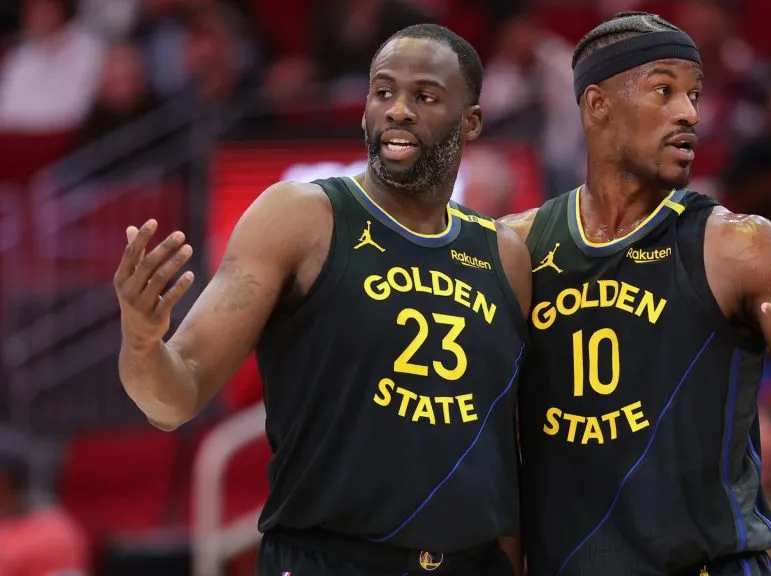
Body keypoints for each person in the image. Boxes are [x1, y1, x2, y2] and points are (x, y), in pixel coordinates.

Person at [113, 24, 531, 576]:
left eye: (424, 96)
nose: (398, 110)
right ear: (363, 112)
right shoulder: (300, 217)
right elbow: (174, 397)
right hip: (329, 559)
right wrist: (142, 342)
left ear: (470, 121)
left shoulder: (504, 255)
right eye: (383, 92)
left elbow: (516, 450)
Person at [500, 12, 771, 576]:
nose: (689, 113)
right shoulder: (519, 247)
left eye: (695, 94)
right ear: (597, 104)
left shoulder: (739, 246)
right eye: (664, 90)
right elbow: (498, 454)